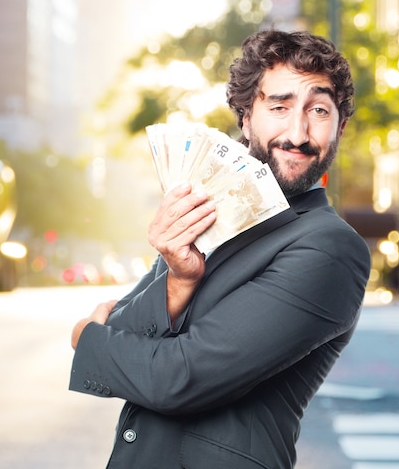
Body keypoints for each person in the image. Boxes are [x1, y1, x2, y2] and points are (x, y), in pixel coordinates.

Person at [69, 29, 371, 469]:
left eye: (319, 111)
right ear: (246, 117)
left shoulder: (330, 248)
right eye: (280, 107)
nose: (298, 132)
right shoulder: (205, 210)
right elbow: (125, 328)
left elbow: (178, 378)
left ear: (339, 127)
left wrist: (86, 338)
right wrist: (179, 280)